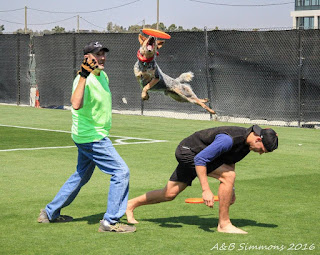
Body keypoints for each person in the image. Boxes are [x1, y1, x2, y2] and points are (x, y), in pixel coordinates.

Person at [37, 41, 136, 233]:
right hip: (92, 137)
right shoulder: (83, 79)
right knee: (121, 172)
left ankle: (49, 213)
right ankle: (110, 222)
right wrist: (83, 75)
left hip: (89, 135)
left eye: (103, 53)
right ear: (87, 58)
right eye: (97, 54)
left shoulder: (103, 75)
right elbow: (75, 103)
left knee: (81, 176)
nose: (102, 57)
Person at [126, 125, 278, 234]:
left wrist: (231, 190)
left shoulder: (246, 144)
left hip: (199, 156)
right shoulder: (229, 139)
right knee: (228, 176)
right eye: (262, 150)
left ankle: (129, 205)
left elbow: (229, 162)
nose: (260, 153)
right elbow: (200, 159)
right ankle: (224, 224)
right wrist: (206, 190)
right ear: (258, 139)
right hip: (189, 152)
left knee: (169, 194)